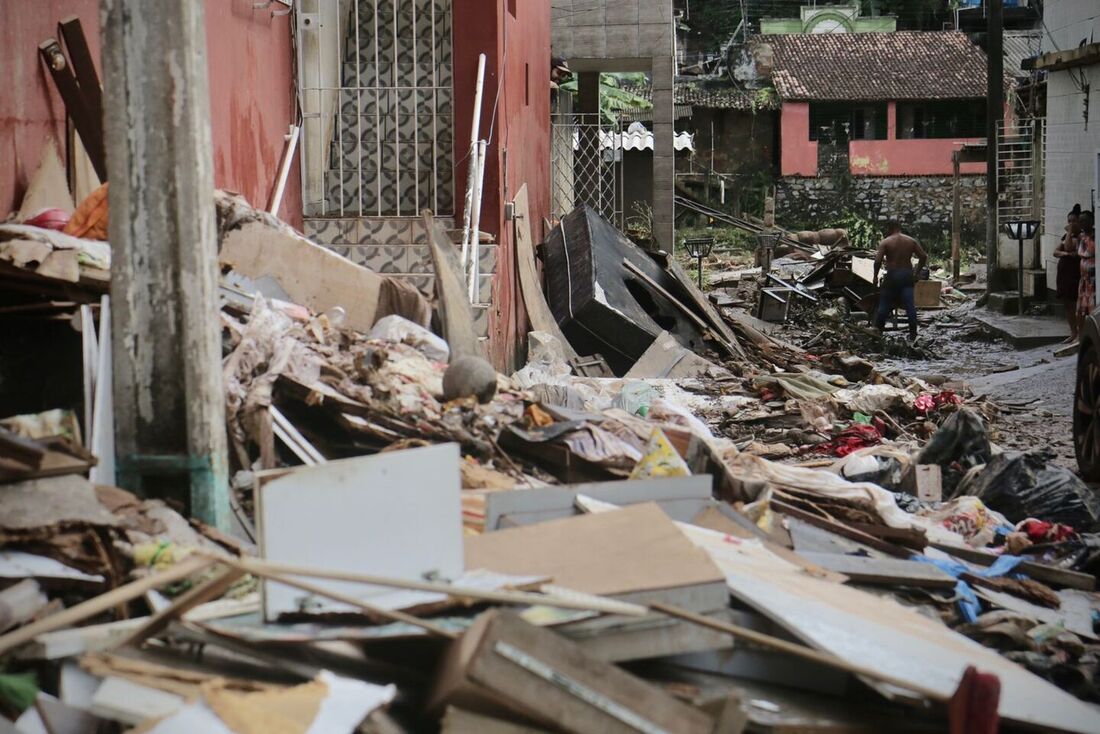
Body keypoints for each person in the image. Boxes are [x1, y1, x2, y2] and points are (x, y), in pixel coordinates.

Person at [873, 220, 928, 340]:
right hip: (907, 276)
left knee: (884, 305)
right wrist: (916, 273)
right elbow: (923, 256)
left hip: (892, 276)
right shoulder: (910, 241)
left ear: (890, 228)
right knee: (910, 306)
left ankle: (877, 333)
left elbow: (877, 261)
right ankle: (913, 334)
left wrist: (875, 276)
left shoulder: (886, 242)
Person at [1054, 204, 1082, 342]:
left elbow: (1070, 246)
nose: (1071, 224)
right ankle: (1073, 332)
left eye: (1074, 221)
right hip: (1064, 273)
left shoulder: (1082, 236)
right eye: (1069, 221)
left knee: (1077, 303)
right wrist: (1065, 254)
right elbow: (1056, 251)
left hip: (1075, 273)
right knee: (1067, 303)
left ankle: (1080, 332)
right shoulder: (1066, 236)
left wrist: (1070, 232)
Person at [1080, 209, 1097, 322]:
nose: (1083, 224)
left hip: (1093, 278)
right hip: (1084, 279)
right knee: (1082, 309)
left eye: (1085, 221)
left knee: (1093, 306)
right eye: (1080, 221)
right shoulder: (1081, 236)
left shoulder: (1096, 236)